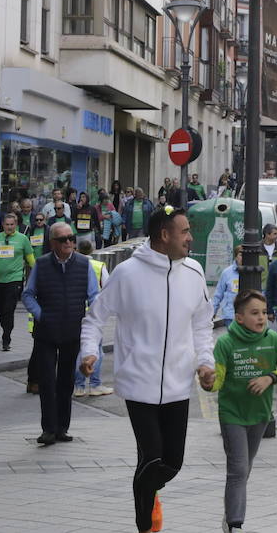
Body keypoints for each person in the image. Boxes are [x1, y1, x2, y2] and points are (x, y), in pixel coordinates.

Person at [80, 206, 215, 533]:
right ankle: (146, 526)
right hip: (138, 384)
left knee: (171, 463)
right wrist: (88, 352)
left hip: (179, 385)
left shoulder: (194, 272)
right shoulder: (126, 274)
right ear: (164, 235)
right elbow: (95, 318)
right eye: (184, 232)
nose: (190, 238)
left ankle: (145, 507)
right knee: (153, 457)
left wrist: (205, 362)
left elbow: (202, 325)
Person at [214, 290, 277, 533]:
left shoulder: (272, 340)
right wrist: (207, 380)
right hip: (232, 415)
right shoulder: (226, 343)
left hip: (259, 415)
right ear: (239, 318)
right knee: (238, 469)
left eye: (263, 312)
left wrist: (270, 378)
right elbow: (216, 382)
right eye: (254, 313)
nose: (262, 318)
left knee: (245, 468)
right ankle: (236, 525)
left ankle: (229, 515)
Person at [23, 222, 99, 446]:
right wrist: (41, 315)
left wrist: (89, 320)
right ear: (52, 243)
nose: (68, 242)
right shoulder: (42, 264)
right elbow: (28, 295)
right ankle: (48, 429)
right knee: (47, 382)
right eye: (63, 239)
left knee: (66, 382)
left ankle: (62, 428)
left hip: (72, 332)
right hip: (46, 333)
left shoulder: (85, 264)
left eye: (71, 238)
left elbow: (94, 297)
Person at [0, 212, 36, 352]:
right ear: (3, 225)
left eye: (12, 224)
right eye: (7, 224)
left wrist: (38, 273)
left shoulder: (23, 239)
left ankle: (7, 337)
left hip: (15, 279)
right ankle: (6, 328)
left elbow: (30, 259)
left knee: (9, 309)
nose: (10, 227)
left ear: (16, 225)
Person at [73, 237, 111, 398]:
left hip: (76, 313)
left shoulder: (73, 266)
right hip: (94, 315)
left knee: (80, 351)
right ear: (92, 251)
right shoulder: (98, 265)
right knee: (97, 351)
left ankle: (79, 386)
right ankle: (95, 384)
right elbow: (108, 288)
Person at [213, 247, 242, 328]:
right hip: (230, 315)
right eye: (240, 255)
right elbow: (219, 293)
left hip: (246, 315)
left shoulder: (252, 272)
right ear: (236, 256)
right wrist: (213, 311)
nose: (243, 257)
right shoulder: (227, 273)